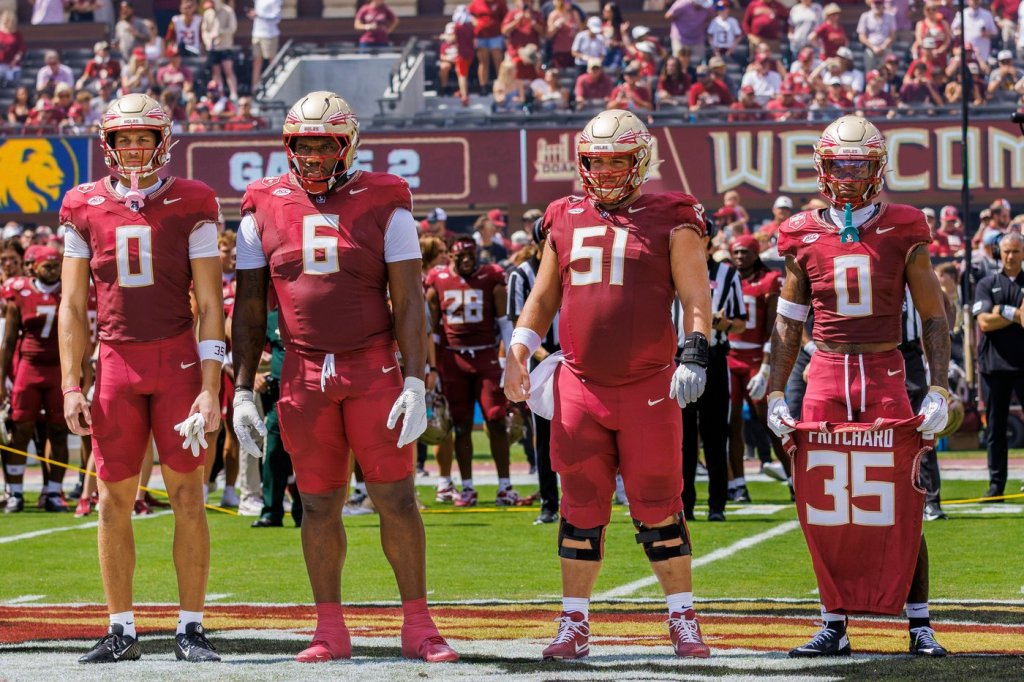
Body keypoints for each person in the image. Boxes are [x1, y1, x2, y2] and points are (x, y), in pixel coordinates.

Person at [231, 91, 457, 663]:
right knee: (317, 504)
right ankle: (329, 628)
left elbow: (409, 300)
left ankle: (419, 625)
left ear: (347, 145)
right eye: (303, 146)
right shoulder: (262, 203)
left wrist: (414, 380)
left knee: (396, 498)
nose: (312, 156)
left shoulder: (385, 200)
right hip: (302, 371)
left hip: (371, 364)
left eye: (324, 145)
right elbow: (250, 308)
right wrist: (241, 390)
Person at [504, 109, 713, 660]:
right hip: (580, 383)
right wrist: (519, 347)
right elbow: (544, 295)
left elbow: (695, 295)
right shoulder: (563, 215)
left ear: (641, 161)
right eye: (596, 162)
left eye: (617, 161)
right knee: (579, 505)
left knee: (658, 503)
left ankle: (682, 616)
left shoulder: (673, 214)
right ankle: (573, 622)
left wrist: (694, 352)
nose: (605, 172)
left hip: (648, 385)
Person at [766, 115, 950, 658]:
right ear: (822, 169)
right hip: (825, 371)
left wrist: (939, 386)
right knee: (824, 506)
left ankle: (919, 623)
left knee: (902, 501)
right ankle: (834, 622)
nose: (848, 177)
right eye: (839, 166)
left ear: (878, 169)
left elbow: (933, 316)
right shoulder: (801, 231)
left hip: (883, 370)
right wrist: (775, 391)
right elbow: (788, 323)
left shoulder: (904, 226)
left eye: (859, 166)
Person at [58, 93, 225, 662]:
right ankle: (121, 629)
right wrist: (71, 383)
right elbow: (72, 305)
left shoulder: (192, 200)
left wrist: (210, 386)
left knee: (187, 496)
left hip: (177, 361)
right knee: (111, 500)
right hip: (116, 364)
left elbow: (210, 303)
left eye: (142, 138)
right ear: (109, 144)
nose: (133, 148)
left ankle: (191, 627)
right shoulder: (82, 204)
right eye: (124, 138)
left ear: (162, 142)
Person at [426, 236, 525, 507]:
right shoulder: (438, 280)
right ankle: (467, 487)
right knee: (460, 425)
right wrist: (431, 366)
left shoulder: (491, 277)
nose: (468, 260)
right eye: (461, 256)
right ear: (451, 257)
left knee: (496, 418)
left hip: (484, 356)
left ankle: (505, 486)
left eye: (471, 255)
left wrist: (511, 360)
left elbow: (505, 323)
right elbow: (433, 330)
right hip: (453, 359)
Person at [677, 220, 746, 521]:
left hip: (713, 356)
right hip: (678, 358)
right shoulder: (671, 268)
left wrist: (721, 322)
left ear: (708, 240)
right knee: (682, 439)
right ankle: (685, 505)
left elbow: (740, 322)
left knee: (715, 434)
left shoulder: (727, 273)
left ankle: (717, 505)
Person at [0, 247, 76, 513]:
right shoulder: (19, 292)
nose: (53, 270)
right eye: (48, 265)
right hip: (29, 367)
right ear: (33, 267)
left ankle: (54, 492)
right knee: (20, 430)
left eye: (57, 265)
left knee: (58, 431)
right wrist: (1, 379)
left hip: (59, 368)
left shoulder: (70, 289)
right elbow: (9, 341)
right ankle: (15, 493)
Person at [726, 235, 789, 502]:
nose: (740, 257)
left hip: (755, 358)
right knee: (731, 424)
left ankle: (794, 478)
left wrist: (765, 367)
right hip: (729, 357)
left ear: (755, 254)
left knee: (769, 421)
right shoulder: (727, 278)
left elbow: (772, 327)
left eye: (745, 252)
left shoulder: (769, 279)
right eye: (736, 252)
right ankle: (738, 485)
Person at [506, 219, 560, 524]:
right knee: (546, 434)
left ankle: (597, 497)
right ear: (540, 243)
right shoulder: (522, 274)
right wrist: (545, 356)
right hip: (543, 360)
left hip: (574, 356)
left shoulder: (573, 265)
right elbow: (519, 324)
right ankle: (549, 504)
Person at [972, 231, 1024, 501]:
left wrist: (999, 310)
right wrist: (1014, 313)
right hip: (994, 365)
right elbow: (983, 322)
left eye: (1015, 251)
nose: (1010, 256)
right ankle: (996, 486)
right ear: (998, 253)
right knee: (995, 428)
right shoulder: (986, 283)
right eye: (1006, 251)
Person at [248, 0, 282, 92]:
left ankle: (276, 86)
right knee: (256, 62)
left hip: (270, 35)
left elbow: (277, 17)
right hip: (256, 34)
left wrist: (259, 15)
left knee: (272, 61)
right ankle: (255, 88)